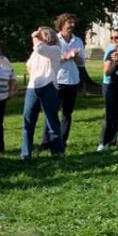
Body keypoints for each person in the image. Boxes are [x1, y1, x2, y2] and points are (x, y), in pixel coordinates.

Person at [21, 27, 64, 160]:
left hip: (49, 86)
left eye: (41, 36)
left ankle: (57, 152)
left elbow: (40, 48)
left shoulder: (55, 50)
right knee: (28, 121)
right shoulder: (36, 52)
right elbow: (28, 64)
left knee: (52, 121)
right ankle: (25, 153)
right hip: (33, 87)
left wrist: (34, 36)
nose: (38, 38)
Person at [46, 13, 85, 148]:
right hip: (57, 80)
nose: (72, 26)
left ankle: (62, 140)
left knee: (67, 113)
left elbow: (81, 63)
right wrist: (67, 57)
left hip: (72, 81)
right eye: (69, 23)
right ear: (62, 24)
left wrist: (75, 57)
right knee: (52, 112)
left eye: (73, 23)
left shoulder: (78, 41)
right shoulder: (53, 40)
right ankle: (47, 142)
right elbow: (49, 59)